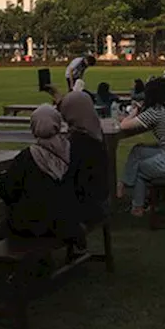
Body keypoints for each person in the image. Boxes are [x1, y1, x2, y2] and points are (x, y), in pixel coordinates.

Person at [0, 106, 80, 241]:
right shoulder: (73, 150)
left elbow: (6, 191)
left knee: (3, 228)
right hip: (68, 221)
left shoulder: (27, 157)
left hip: (36, 225)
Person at [117, 78, 165, 216]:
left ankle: (137, 207)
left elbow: (124, 125)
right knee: (138, 150)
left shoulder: (155, 111)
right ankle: (124, 183)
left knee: (140, 168)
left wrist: (133, 113)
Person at [57, 91, 109, 232]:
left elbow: (70, 181)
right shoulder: (96, 136)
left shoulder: (77, 143)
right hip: (97, 203)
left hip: (81, 208)